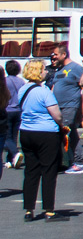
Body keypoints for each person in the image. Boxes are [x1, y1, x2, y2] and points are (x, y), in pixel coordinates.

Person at [15, 58, 65, 221]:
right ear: (38, 72)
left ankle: (29, 210)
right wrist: (62, 124)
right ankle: (49, 210)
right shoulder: (44, 92)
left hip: (26, 132)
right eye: (43, 69)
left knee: (30, 171)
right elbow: (56, 114)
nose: (46, 72)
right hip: (46, 133)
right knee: (48, 171)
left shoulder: (23, 89)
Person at [45, 46, 83, 175]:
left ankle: (75, 162)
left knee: (64, 132)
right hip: (59, 106)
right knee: (71, 133)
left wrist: (82, 108)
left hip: (70, 106)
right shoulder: (59, 70)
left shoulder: (76, 68)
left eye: (56, 54)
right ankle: (74, 161)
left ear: (64, 54)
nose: (53, 56)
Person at [2, 59, 20, 168]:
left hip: (7, 110)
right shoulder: (21, 81)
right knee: (14, 136)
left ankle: (15, 153)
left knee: (6, 137)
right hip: (18, 111)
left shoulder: (5, 81)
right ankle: (11, 160)